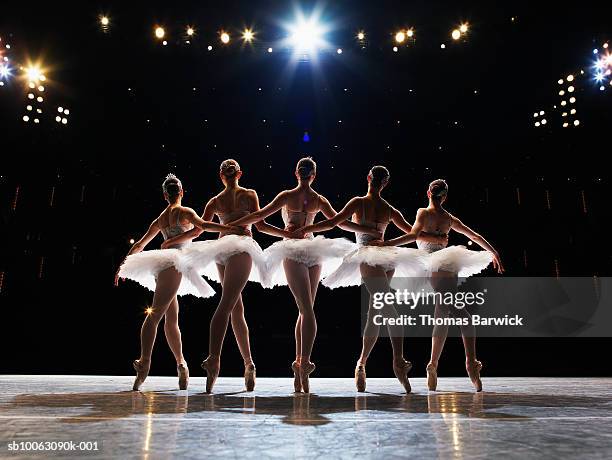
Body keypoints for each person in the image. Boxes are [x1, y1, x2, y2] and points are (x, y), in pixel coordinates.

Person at [226, 157, 379, 393]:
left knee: (305, 311)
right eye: (306, 171)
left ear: (301, 174)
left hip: (312, 252)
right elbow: (261, 221)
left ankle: (299, 364)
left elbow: (336, 222)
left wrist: (364, 230)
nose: (306, 174)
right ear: (307, 175)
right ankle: (305, 363)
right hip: (294, 252)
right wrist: (242, 224)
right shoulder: (293, 197)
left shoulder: (312, 199)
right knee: (307, 310)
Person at [297, 166, 446, 393]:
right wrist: (436, 237)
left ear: (369, 179)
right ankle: (398, 360)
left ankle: (361, 364)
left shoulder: (368, 204)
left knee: (375, 315)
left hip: (383, 258)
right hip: (371, 257)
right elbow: (413, 233)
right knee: (388, 308)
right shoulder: (381, 207)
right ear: (384, 183)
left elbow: (333, 222)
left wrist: (308, 227)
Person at [161, 159, 290, 393]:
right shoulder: (244, 195)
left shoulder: (217, 200)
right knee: (230, 304)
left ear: (222, 176)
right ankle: (227, 361)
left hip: (225, 250)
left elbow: (200, 229)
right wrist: (285, 234)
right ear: (238, 173)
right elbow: (257, 226)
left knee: (232, 305)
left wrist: (171, 240)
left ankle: (236, 362)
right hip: (236, 247)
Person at [373, 178, 504, 392]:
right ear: (445, 196)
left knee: (442, 315)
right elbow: (473, 235)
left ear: (428, 193)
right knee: (462, 314)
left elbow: (413, 235)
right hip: (436, 264)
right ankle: (471, 363)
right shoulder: (443, 217)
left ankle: (432, 365)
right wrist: (493, 251)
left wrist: (387, 243)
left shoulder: (425, 214)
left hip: (443, 263)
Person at [115, 174, 241, 391]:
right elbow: (203, 226)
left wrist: (122, 265)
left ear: (165, 195)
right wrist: (228, 228)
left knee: (160, 316)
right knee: (165, 318)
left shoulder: (161, 218)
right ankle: (174, 364)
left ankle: (149, 364)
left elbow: (141, 244)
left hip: (166, 266)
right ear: (181, 192)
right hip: (173, 265)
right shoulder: (185, 212)